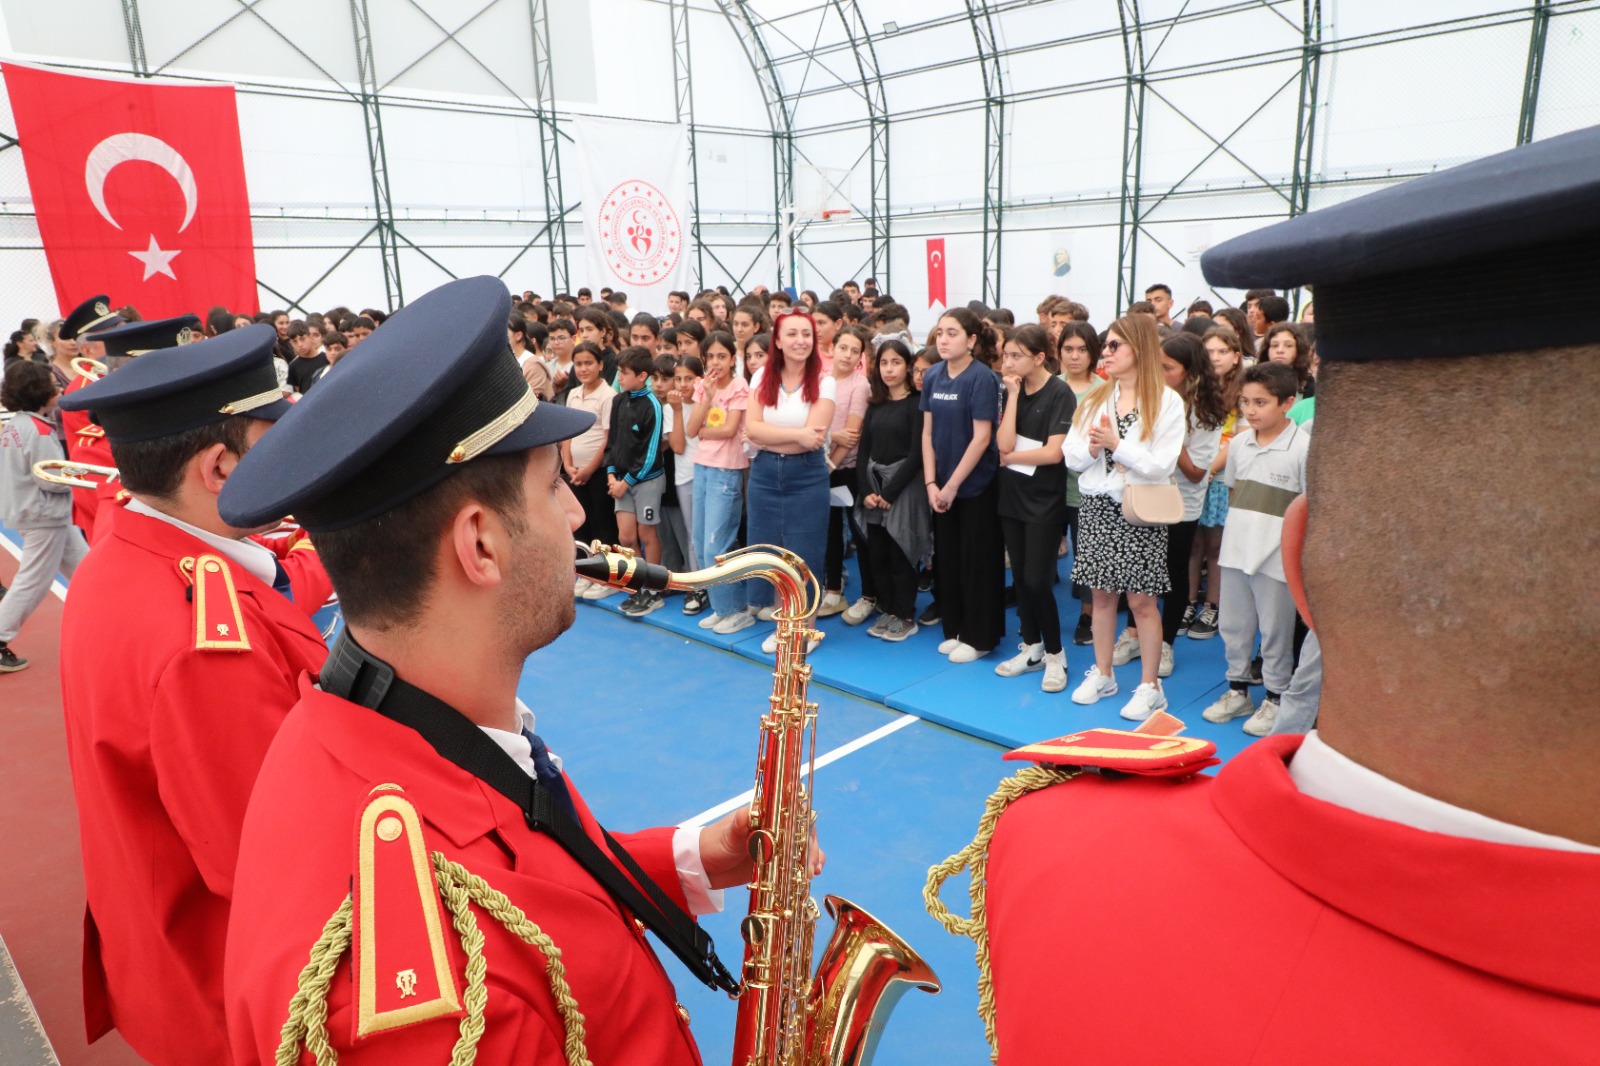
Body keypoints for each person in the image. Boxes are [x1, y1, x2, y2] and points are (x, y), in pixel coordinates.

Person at [960, 121, 1600, 1066]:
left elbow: (1151, 458)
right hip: (1107, 502)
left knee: (1136, 603)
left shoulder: (1049, 846)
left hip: (1138, 505)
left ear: (1299, 560)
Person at [217, 275, 788, 1066]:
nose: (578, 515)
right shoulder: (431, 1011)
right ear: (480, 544)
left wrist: (692, 852)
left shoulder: (375, 721)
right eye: (554, 484)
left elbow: (523, 867)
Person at [52, 325, 331, 1066]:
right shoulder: (208, 644)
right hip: (232, 1002)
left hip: (164, 956)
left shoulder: (126, 557)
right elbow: (280, 870)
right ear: (218, 466)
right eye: (275, 439)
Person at [1061, 314, 1185, 720]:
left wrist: (1117, 444)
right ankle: (1103, 672)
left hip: (1140, 509)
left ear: (1139, 349)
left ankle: (1150, 686)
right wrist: (1095, 450)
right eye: (1106, 345)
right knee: (1100, 596)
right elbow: (1072, 454)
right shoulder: (1098, 398)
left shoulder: (1166, 400)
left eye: (1115, 345)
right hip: (1098, 505)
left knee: (1142, 601)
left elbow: (1161, 464)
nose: (1106, 353)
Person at [1108, 333, 1227, 677]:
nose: (1159, 373)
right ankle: (1133, 635)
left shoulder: (1206, 413)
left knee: (1173, 574)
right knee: (1139, 569)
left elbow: (1196, 473)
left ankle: (1164, 645)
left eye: (1168, 367)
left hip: (1179, 504)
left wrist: (1171, 438)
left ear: (1190, 373)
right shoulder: (1147, 397)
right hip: (1142, 495)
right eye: (1156, 365)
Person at [1201, 361, 1310, 735]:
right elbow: (1234, 493)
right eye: (1245, 402)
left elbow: (1309, 509)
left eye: (1260, 402)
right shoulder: (1239, 445)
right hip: (1235, 553)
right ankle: (1238, 691)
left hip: (1277, 560)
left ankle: (1276, 698)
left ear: (1287, 403)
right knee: (1234, 627)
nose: (1250, 410)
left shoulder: (1304, 448)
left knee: (1276, 633)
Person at [745, 310, 836, 654]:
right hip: (765, 474)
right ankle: (785, 623)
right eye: (792, 334)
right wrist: (793, 435)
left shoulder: (825, 382)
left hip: (807, 475)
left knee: (805, 553)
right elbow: (751, 431)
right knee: (769, 551)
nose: (800, 341)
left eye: (807, 335)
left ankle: (804, 629)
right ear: (778, 341)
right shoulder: (760, 378)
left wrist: (770, 438)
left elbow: (814, 439)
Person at [993, 325, 1076, 692]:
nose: (1008, 362)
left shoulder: (1060, 392)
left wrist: (1009, 458)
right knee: (1021, 578)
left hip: (1044, 498)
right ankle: (1032, 647)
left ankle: (1057, 655)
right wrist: (1011, 396)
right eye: (1005, 355)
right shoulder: (1010, 390)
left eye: (1016, 356)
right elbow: (1003, 442)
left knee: (1039, 579)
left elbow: (1053, 452)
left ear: (1039, 357)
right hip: (1011, 495)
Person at [921, 308, 1005, 663]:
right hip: (940, 488)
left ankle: (980, 636)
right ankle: (955, 629)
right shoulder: (932, 375)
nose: (943, 339)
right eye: (940, 332)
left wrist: (952, 485)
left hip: (975, 487)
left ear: (971, 340)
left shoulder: (982, 378)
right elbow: (926, 433)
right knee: (950, 560)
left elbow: (982, 438)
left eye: (952, 333)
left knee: (978, 562)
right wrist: (930, 482)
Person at [0, 361, 84, 673]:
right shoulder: (41, 431)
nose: (58, 386)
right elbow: (50, 479)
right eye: (52, 383)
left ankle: (109, 622)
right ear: (38, 391)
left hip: (35, 512)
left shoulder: (17, 425)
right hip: (44, 514)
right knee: (33, 580)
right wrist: (79, 477)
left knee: (86, 568)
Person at [850, 339, 926, 640]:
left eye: (896, 362)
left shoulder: (916, 404)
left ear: (907, 366)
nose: (889, 369)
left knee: (901, 552)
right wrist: (866, 489)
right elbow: (864, 450)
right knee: (877, 553)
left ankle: (906, 614)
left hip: (902, 489)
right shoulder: (876, 404)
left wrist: (890, 493)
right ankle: (889, 609)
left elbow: (917, 454)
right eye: (884, 363)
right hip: (874, 488)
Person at [686, 331, 752, 633]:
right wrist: (709, 396)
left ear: (732, 359)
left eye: (721, 356)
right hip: (702, 467)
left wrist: (704, 431)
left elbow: (728, 430)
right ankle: (721, 606)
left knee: (719, 544)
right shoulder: (703, 386)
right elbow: (690, 429)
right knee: (700, 544)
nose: (715, 362)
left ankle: (737, 609)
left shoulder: (740, 386)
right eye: (710, 356)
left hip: (726, 471)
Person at [605, 347, 667, 617]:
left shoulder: (653, 405)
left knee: (647, 535)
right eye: (618, 371)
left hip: (646, 482)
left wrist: (625, 481)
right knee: (626, 536)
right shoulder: (619, 401)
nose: (619, 376)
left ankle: (653, 590)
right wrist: (610, 473)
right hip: (620, 481)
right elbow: (613, 442)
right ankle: (639, 585)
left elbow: (650, 452)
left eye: (624, 372)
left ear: (642, 376)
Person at [820, 325, 871, 618]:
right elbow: (815, 426)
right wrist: (831, 436)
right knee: (828, 532)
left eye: (855, 351)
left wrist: (828, 464)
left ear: (860, 357)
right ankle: (833, 591)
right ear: (833, 349)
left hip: (847, 471)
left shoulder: (859, 385)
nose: (848, 355)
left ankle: (868, 594)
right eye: (844, 348)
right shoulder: (822, 381)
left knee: (858, 532)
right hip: (823, 469)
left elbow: (850, 435)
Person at [1057, 322, 1102, 645]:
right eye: (1068, 349)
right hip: (1046, 486)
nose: (1074, 356)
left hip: (1086, 488)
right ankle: (1036, 614)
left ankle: (1088, 615)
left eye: (1082, 349)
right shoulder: (1050, 386)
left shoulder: (1104, 390)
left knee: (1086, 556)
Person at [563, 342, 617, 598]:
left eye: (588, 363)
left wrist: (588, 469)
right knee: (580, 526)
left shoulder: (608, 396)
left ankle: (606, 576)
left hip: (596, 472)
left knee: (602, 524)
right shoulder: (573, 394)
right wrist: (568, 465)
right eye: (579, 364)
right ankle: (586, 573)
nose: (583, 368)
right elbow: (567, 436)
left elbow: (606, 438)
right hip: (574, 471)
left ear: (600, 365)